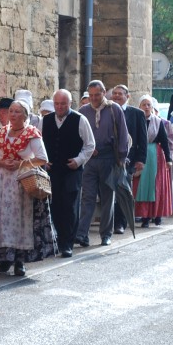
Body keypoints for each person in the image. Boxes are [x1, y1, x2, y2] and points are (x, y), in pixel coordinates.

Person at [0, 100, 56, 275]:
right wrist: (2, 162)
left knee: (20, 220)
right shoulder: (1, 133)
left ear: (25, 115)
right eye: (11, 111)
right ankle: (4, 256)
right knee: (2, 219)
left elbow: (42, 158)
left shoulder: (31, 133)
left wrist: (20, 163)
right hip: (2, 182)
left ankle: (19, 261)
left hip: (22, 181)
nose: (13, 115)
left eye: (17, 112)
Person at [41, 89, 95, 258]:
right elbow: (38, 142)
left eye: (63, 104)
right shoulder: (45, 120)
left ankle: (67, 244)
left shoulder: (80, 120)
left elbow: (90, 145)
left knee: (70, 206)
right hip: (52, 171)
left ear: (70, 104)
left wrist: (78, 160)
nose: (59, 107)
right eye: (56, 104)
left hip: (72, 171)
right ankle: (58, 239)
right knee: (55, 205)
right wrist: (43, 160)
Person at [76, 80, 129, 247]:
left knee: (107, 198)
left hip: (109, 159)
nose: (93, 98)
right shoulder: (83, 111)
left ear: (104, 92)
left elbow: (123, 135)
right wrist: (85, 151)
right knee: (87, 197)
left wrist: (121, 158)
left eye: (97, 95)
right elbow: (78, 135)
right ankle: (82, 234)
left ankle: (106, 234)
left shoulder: (114, 109)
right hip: (90, 160)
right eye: (90, 95)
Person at [110, 84, 147, 234]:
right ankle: (109, 222)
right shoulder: (107, 111)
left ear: (127, 96)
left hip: (128, 160)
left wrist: (141, 160)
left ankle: (120, 223)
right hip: (108, 159)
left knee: (123, 192)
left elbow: (142, 139)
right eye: (115, 93)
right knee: (108, 192)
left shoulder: (137, 114)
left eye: (120, 94)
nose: (117, 96)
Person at [132, 96, 173, 227]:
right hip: (140, 156)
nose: (146, 107)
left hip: (155, 156)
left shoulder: (158, 121)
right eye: (143, 104)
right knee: (142, 187)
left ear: (152, 107)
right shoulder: (135, 121)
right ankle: (145, 216)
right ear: (139, 107)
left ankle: (157, 214)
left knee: (157, 186)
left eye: (148, 105)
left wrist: (168, 159)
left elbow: (164, 141)